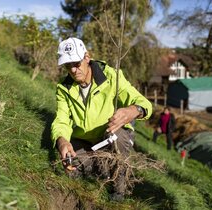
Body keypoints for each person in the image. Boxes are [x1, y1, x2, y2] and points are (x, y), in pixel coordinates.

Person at [51, 37, 152, 200]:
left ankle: (119, 191)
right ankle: (100, 169)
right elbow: (61, 120)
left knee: (118, 137)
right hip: (85, 142)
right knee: (71, 166)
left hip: (109, 137)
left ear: (87, 57)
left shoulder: (112, 77)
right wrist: (62, 141)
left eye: (76, 63)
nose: (74, 70)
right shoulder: (64, 88)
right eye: (68, 66)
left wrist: (133, 110)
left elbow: (144, 103)